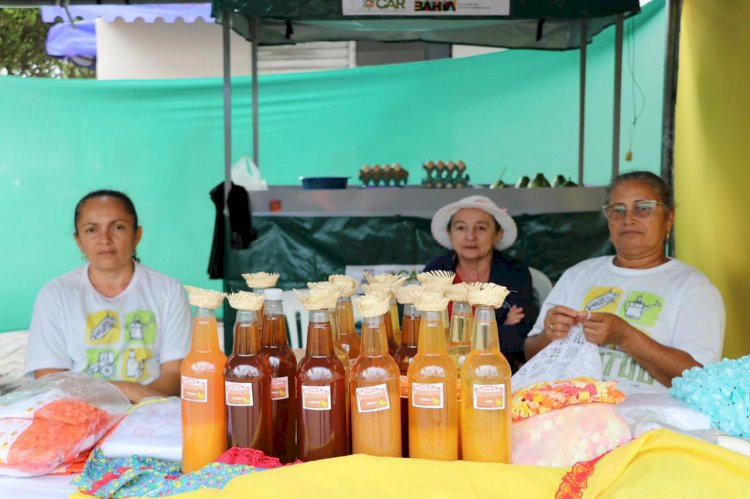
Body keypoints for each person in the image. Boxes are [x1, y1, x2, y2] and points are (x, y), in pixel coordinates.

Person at [524, 171, 725, 394]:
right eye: (617, 210)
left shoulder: (694, 288)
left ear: (669, 219)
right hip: (571, 413)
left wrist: (625, 336)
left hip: (653, 421)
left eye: (643, 208)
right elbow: (531, 355)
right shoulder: (578, 275)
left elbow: (701, 382)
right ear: (608, 220)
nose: (628, 219)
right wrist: (548, 336)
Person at [24, 190, 192, 403]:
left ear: (137, 235)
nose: (105, 239)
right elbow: (50, 378)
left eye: (118, 227)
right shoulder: (55, 294)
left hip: (150, 409)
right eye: (91, 229)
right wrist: (125, 391)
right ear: (78, 240)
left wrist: (136, 405)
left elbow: (175, 374)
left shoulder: (168, 290)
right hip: (79, 411)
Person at [424, 195, 538, 368]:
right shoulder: (436, 270)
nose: (470, 236)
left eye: (481, 228)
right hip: (444, 369)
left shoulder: (515, 272)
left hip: (498, 370)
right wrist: (497, 328)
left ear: (497, 234)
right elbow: (428, 335)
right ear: (450, 233)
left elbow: (520, 339)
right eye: (461, 228)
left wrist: (455, 338)